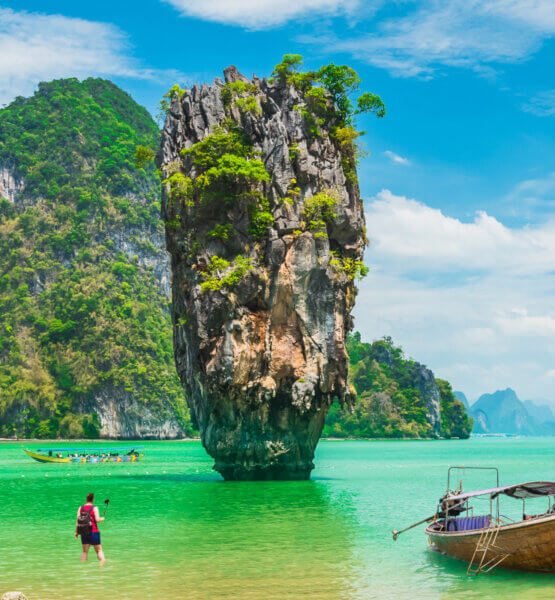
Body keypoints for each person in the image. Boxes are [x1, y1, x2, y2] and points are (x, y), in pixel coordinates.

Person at [75, 492, 106, 566]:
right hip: (94, 532)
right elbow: (97, 520)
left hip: (84, 532)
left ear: (86, 499)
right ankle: (102, 568)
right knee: (99, 550)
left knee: (84, 552)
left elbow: (77, 520)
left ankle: (82, 570)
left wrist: (76, 532)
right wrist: (102, 519)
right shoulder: (94, 508)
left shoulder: (81, 508)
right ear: (93, 499)